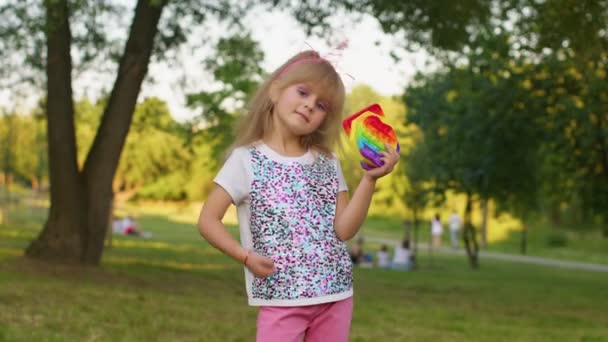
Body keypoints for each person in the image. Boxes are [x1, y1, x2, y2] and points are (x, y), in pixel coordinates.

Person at [197, 50, 400, 342]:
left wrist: (370, 179)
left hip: (335, 295)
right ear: (276, 89)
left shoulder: (327, 161)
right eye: (303, 92)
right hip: (282, 299)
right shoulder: (246, 160)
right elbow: (208, 221)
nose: (309, 105)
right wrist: (245, 256)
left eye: (321, 105)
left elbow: (344, 229)